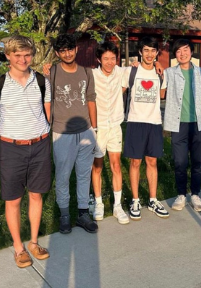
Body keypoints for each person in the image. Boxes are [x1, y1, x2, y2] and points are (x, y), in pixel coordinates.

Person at [0, 35, 53, 268]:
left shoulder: (42, 81)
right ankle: (19, 248)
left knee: (36, 195)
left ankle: (32, 242)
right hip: (12, 148)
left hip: (40, 145)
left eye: (27, 54)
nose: (23, 59)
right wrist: (9, 135)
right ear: (8, 56)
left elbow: (47, 111)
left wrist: (42, 134)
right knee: (13, 199)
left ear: (32, 55)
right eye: (17, 55)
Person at [47, 33, 99, 234]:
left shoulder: (86, 72)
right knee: (62, 175)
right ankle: (65, 215)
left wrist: (94, 129)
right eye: (62, 50)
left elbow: (91, 100)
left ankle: (83, 213)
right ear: (57, 53)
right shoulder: (52, 73)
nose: (67, 53)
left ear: (76, 49)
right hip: (62, 132)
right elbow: (47, 101)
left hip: (86, 130)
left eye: (70, 49)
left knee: (84, 174)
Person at [122, 36, 169, 219]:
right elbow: (119, 89)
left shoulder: (160, 73)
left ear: (157, 53)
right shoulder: (130, 71)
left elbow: (162, 95)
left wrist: (159, 65)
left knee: (152, 162)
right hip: (135, 121)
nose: (149, 54)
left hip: (155, 122)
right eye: (146, 50)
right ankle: (135, 200)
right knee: (135, 162)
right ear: (140, 52)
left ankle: (152, 199)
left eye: (153, 51)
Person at [162, 38, 201, 213]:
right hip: (178, 123)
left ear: (191, 51)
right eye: (178, 51)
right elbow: (154, 80)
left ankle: (195, 194)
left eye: (185, 49)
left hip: (198, 123)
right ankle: (181, 194)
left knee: (197, 161)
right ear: (175, 55)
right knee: (180, 161)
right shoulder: (169, 73)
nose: (183, 54)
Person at [90, 41, 131, 225]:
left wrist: (159, 64)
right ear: (99, 59)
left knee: (116, 165)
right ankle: (98, 202)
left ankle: (117, 205)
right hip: (98, 128)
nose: (109, 62)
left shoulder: (122, 72)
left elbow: (144, 68)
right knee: (97, 166)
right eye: (105, 58)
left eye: (112, 58)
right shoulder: (92, 75)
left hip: (115, 125)